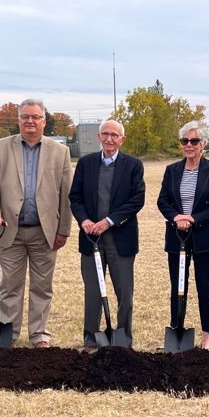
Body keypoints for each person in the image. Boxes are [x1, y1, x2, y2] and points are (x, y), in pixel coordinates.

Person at [0, 98, 73, 348]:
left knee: (42, 286)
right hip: (9, 231)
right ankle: (8, 335)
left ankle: (39, 334)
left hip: (45, 232)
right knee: (10, 285)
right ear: (18, 120)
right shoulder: (0, 148)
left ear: (44, 120)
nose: (30, 121)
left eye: (35, 117)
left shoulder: (60, 151)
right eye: (25, 117)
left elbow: (66, 195)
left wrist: (63, 229)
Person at [69, 119, 145, 351]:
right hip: (91, 239)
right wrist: (85, 221)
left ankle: (123, 340)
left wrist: (109, 221)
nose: (110, 139)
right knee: (93, 291)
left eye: (115, 135)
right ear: (99, 137)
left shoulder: (133, 165)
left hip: (121, 240)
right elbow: (76, 197)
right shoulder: (86, 163)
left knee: (124, 294)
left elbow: (136, 200)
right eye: (106, 134)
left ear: (122, 139)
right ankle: (91, 340)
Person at [157, 120, 209, 349]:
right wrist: (177, 217)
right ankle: (177, 330)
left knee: (205, 287)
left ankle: (206, 336)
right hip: (177, 237)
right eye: (184, 141)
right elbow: (163, 201)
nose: (189, 145)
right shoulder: (172, 171)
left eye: (194, 140)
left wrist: (193, 218)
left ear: (203, 144)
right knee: (178, 286)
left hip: (205, 237)